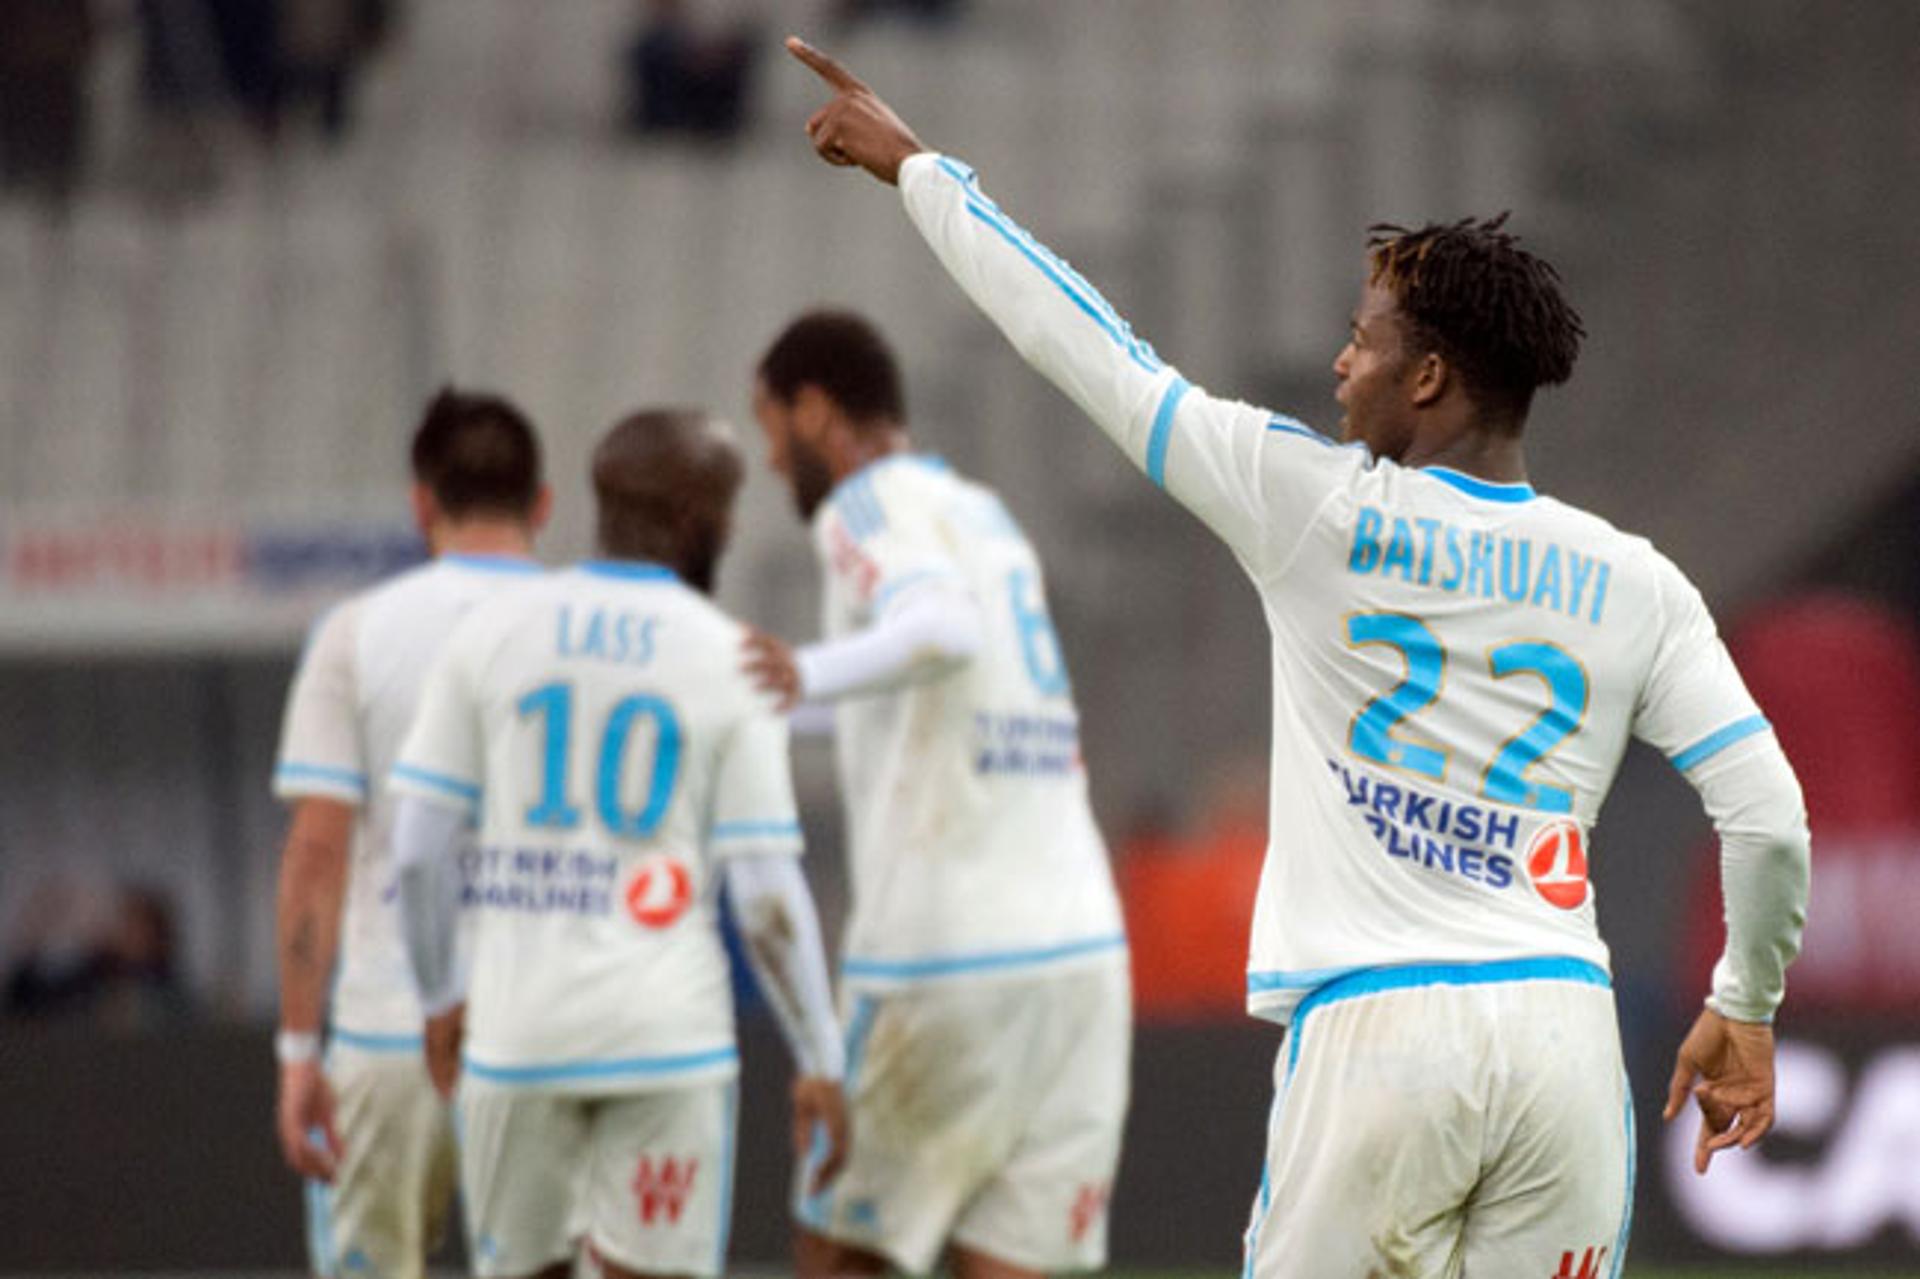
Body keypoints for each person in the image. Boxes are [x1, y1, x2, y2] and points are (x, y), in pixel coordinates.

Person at [784, 38, 1812, 1278]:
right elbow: (1767, 815)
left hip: (1378, 1030)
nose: (1341, 361)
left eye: (1363, 338)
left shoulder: (1312, 507)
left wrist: (918, 170)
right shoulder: (1636, 578)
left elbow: (1091, 347)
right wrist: (1746, 1003)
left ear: (1428, 375)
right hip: (1561, 1034)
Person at [389, 409, 848, 1279]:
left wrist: (439, 992)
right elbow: (764, 895)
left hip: (517, 1037)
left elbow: (417, 846)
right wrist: (820, 1055)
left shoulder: (493, 635)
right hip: (664, 1038)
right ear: (690, 522)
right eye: (725, 506)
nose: (734, 525)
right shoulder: (729, 658)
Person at [745, 310, 1131, 1279]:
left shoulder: (863, 506)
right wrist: (762, 708)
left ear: (816, 409)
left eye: (768, 424)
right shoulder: (983, 515)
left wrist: (801, 672)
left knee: (842, 1254)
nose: (765, 457)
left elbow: (942, 631)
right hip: (1079, 958)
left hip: (946, 958)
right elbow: (930, 693)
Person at [271, 388, 551, 1279]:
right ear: (541, 503)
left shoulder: (356, 632)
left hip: (390, 1029)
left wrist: (299, 1050)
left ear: (420, 501)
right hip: (544, 1030)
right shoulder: (583, 628)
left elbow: (317, 850)